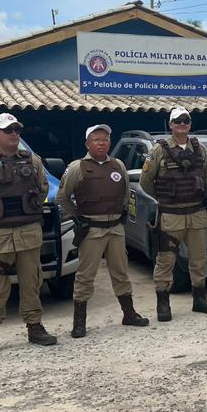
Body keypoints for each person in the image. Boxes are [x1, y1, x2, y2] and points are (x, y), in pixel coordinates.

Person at [0, 112, 57, 356]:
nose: (14, 134)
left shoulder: (33, 161)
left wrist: (30, 208)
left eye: (17, 130)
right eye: (8, 130)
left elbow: (43, 188)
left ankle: (34, 327)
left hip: (28, 231)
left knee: (32, 282)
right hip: (0, 234)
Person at [57, 123, 147, 339]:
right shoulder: (77, 167)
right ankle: (79, 323)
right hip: (91, 229)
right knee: (85, 276)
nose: (102, 143)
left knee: (121, 272)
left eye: (105, 139)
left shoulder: (118, 165)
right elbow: (62, 197)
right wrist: (78, 216)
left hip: (115, 228)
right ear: (87, 143)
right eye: (97, 139)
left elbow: (125, 194)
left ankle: (129, 314)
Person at [141, 107, 207, 320]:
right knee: (165, 259)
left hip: (196, 213)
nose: (182, 124)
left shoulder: (199, 149)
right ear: (171, 125)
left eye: (186, 121)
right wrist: (164, 198)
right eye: (178, 121)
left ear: (190, 124)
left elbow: (206, 175)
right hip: (170, 215)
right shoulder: (158, 150)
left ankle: (199, 299)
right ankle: (163, 303)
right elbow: (146, 182)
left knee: (199, 259)